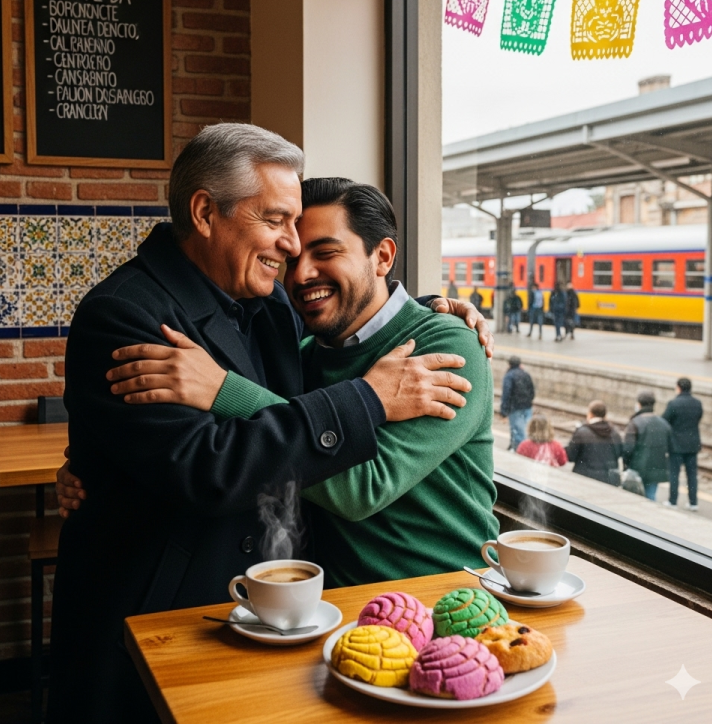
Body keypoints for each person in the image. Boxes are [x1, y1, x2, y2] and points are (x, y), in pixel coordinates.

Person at [47, 126, 490, 724]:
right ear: (205, 213)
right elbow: (210, 468)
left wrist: (436, 310)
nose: (291, 253)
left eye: (311, 240)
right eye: (278, 221)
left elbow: (339, 350)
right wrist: (368, 398)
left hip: (326, 605)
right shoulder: (123, 314)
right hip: (164, 613)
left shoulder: (272, 305)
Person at [62, 178, 499, 590]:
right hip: (335, 611)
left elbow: (365, 487)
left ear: (383, 257)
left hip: (444, 598)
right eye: (293, 257)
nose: (301, 274)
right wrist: (98, 462)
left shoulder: (447, 344)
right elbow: (284, 438)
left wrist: (221, 388)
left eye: (325, 252)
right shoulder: (304, 350)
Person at [623, 390, 673, 502]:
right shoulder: (664, 424)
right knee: (650, 498)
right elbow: (670, 447)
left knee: (632, 499)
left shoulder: (635, 422)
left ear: (639, 404)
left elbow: (628, 449)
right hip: (656, 469)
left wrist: (626, 466)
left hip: (637, 468)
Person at [662, 378, 703, 511]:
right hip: (692, 444)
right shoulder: (697, 403)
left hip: (676, 445)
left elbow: (665, 420)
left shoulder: (673, 404)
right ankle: (693, 503)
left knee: (674, 473)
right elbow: (698, 418)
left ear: (679, 387)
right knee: (692, 475)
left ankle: (673, 501)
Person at [565, 400, 623, 485]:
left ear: (590, 414)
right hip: (609, 480)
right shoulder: (615, 433)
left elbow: (570, 456)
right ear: (605, 415)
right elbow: (619, 453)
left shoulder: (582, 432)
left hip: (583, 479)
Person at [500, 356, 535, 451]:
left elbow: (506, 394)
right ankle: (513, 446)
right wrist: (529, 401)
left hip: (515, 407)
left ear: (509, 364)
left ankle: (519, 450)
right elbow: (532, 390)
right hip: (527, 406)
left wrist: (503, 411)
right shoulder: (525, 374)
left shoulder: (509, 376)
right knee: (523, 429)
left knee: (517, 431)